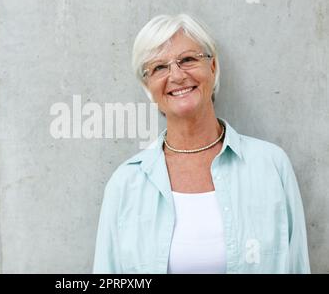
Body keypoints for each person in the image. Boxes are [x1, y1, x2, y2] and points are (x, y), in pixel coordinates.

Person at [92, 14, 310, 274]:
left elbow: (297, 266)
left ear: (213, 67)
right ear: (148, 86)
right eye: (159, 68)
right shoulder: (126, 184)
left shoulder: (271, 166)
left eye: (187, 59)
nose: (177, 75)